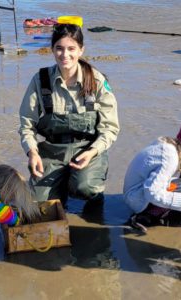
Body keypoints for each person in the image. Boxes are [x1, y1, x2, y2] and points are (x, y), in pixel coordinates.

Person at [19, 24, 120, 206]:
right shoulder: (40, 79)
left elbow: (110, 129)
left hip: (87, 149)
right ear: (52, 50)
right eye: (59, 48)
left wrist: (92, 152)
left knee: (85, 187)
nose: (65, 55)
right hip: (52, 151)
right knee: (38, 204)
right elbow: (27, 124)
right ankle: (59, 186)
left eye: (71, 49)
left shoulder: (96, 80)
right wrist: (32, 152)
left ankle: (94, 193)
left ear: (81, 50)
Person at [123, 115, 181, 230]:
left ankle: (160, 209)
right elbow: (151, 192)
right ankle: (147, 216)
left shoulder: (169, 145)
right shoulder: (169, 158)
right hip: (136, 200)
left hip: (137, 192)